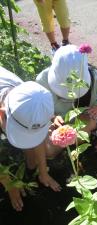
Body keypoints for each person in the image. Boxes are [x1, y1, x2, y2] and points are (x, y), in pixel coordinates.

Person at [0, 66, 61, 212]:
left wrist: (43, 172)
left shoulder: (28, 99)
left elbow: (37, 136)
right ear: (2, 115)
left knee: (32, 163)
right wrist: (8, 183)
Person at [36, 44, 97, 143]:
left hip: (85, 117)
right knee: (50, 151)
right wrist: (53, 117)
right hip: (57, 120)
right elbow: (41, 107)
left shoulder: (95, 77)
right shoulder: (42, 79)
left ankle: (82, 139)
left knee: (76, 138)